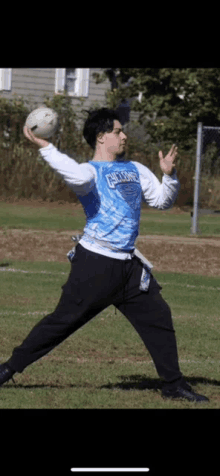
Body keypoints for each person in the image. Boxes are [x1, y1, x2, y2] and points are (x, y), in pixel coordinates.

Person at [0, 108, 209, 403]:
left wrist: (169, 175)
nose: (124, 136)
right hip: (96, 264)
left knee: (159, 316)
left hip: (129, 267)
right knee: (61, 322)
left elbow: (162, 201)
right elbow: (73, 174)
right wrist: (46, 147)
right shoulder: (88, 172)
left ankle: (173, 385)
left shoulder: (135, 168)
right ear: (101, 137)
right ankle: (7, 369)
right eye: (118, 131)